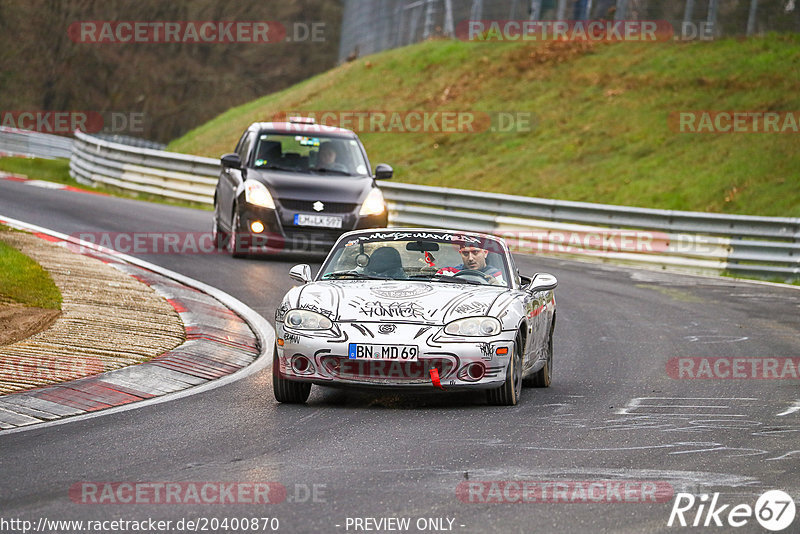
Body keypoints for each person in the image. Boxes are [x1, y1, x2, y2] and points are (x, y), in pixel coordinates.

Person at [436, 245, 504, 282]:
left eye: (475, 252)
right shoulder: (447, 272)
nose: (470, 258)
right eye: (465, 253)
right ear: (460, 253)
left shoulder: (499, 276)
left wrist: (497, 286)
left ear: (485, 253)